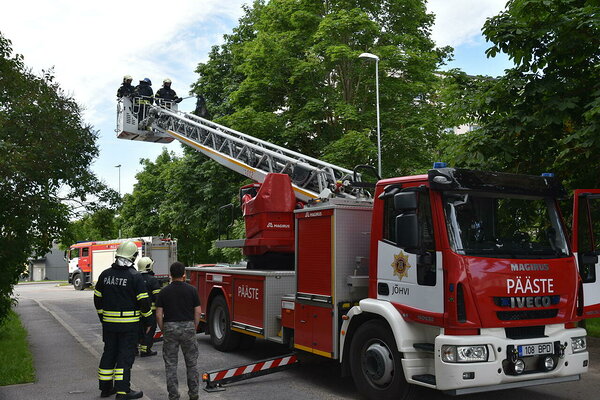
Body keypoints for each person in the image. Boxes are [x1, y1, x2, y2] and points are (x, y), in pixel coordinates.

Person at [94, 241, 153, 399]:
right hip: (129, 326)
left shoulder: (105, 275)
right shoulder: (135, 276)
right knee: (125, 357)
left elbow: (97, 299)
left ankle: (106, 389)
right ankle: (123, 391)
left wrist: (103, 317)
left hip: (109, 325)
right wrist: (149, 322)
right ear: (133, 257)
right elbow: (144, 303)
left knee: (109, 354)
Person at [156, 262, 201, 400]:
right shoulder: (192, 290)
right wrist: (194, 326)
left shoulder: (163, 292)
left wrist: (163, 328)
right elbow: (198, 311)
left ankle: (174, 395)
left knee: (171, 364)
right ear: (183, 274)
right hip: (188, 327)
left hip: (170, 327)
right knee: (192, 363)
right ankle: (193, 394)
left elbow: (158, 314)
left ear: (170, 275)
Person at [137, 256, 161, 357]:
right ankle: (145, 350)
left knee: (138, 329)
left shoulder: (135, 278)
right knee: (150, 329)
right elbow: (157, 298)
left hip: (137, 312)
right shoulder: (152, 280)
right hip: (151, 311)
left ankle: (134, 349)